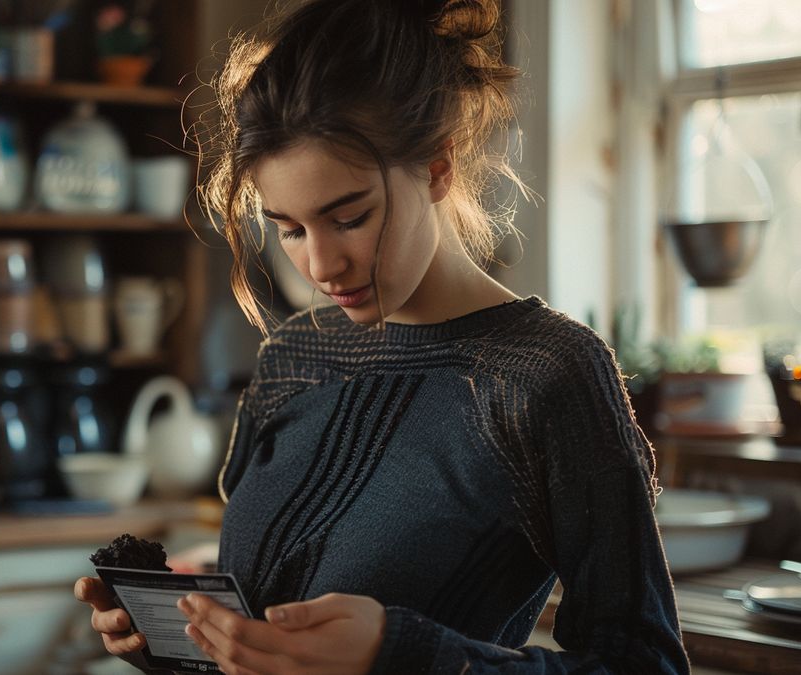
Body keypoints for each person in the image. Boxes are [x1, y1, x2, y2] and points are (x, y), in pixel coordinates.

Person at [75, 0, 691, 672]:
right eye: (289, 228)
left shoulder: (545, 375)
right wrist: (176, 637)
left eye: (349, 217)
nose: (319, 265)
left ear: (436, 165)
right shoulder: (292, 358)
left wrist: (397, 652)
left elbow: (646, 662)